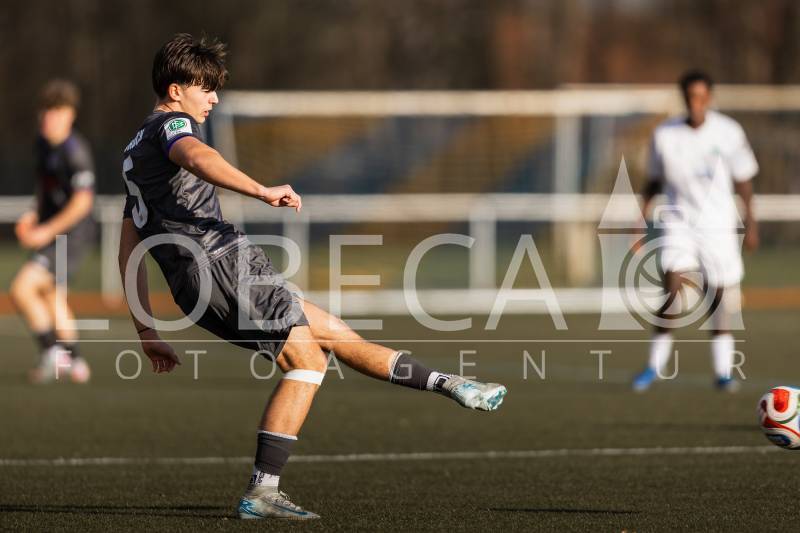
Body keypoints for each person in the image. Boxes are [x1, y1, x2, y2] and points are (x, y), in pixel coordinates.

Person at [118, 33, 507, 520]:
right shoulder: (174, 125)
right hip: (222, 263)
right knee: (308, 361)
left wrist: (146, 329)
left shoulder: (133, 151)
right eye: (206, 88)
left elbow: (129, 246)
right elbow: (197, 156)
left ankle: (452, 384)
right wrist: (261, 190)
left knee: (334, 334)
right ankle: (263, 491)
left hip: (198, 283)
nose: (213, 99)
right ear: (176, 90)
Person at [631, 70, 759, 392]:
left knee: (718, 297)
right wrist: (640, 219)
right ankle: (654, 366)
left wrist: (751, 223)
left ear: (710, 98)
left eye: (701, 97)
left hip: (718, 225)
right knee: (672, 288)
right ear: (684, 98)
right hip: (679, 221)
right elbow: (653, 181)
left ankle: (723, 372)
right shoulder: (665, 135)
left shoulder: (729, 132)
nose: (696, 103)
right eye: (690, 97)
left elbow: (744, 181)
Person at [11, 79, 96, 384]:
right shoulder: (42, 145)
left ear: (70, 115)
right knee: (51, 296)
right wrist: (32, 215)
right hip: (57, 233)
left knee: (22, 288)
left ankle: (52, 353)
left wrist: (45, 231)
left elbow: (82, 203)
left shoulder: (75, 151)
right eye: (45, 111)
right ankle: (75, 361)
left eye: (56, 112)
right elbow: (44, 191)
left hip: (71, 236)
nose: (49, 118)